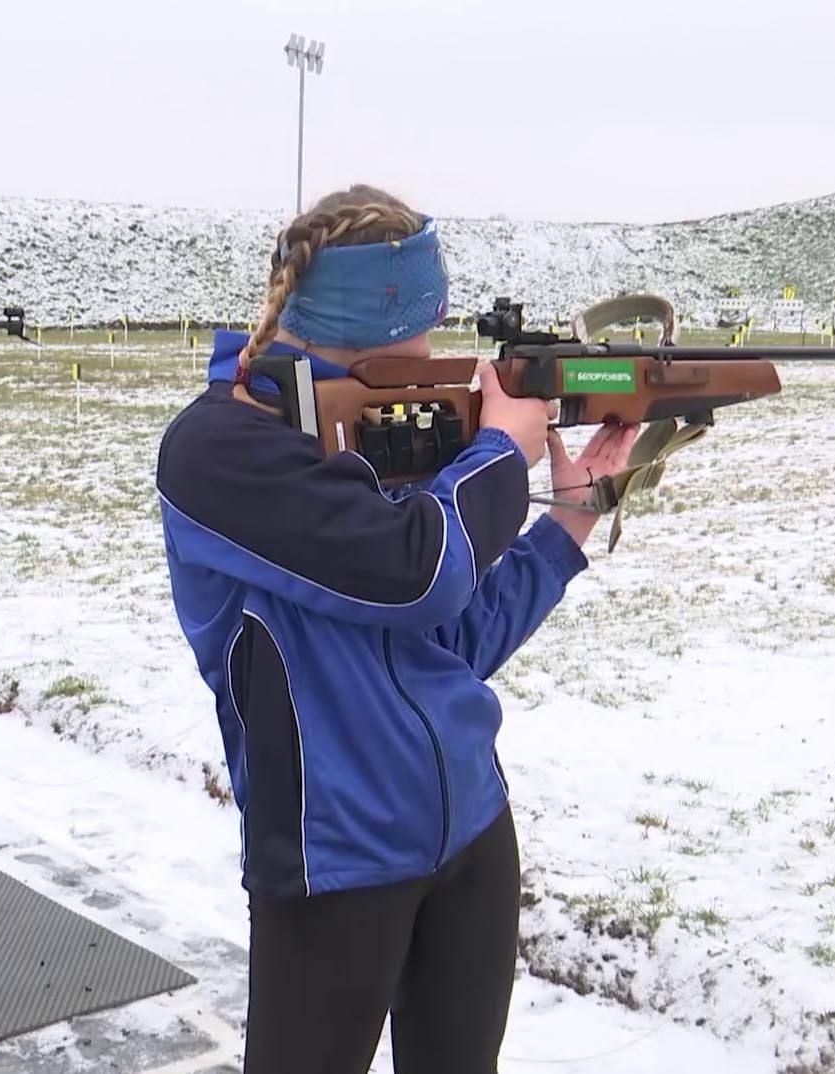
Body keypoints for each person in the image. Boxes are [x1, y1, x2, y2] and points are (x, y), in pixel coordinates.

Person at [154, 186, 640, 1073]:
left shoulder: (386, 434)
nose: (434, 353)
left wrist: (564, 529)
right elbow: (420, 571)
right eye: (425, 327)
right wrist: (499, 451)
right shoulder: (219, 451)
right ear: (382, 324)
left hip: (471, 831)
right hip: (334, 855)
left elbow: (451, 644)